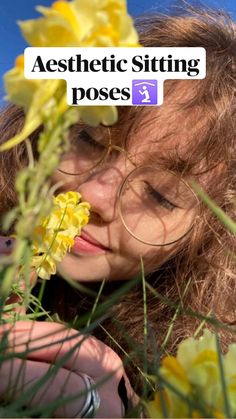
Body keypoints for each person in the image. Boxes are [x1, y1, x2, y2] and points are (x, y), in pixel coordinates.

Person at [0, 5, 235, 418]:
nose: (94, 195)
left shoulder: (204, 372)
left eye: (161, 195)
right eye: (89, 140)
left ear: (208, 234)